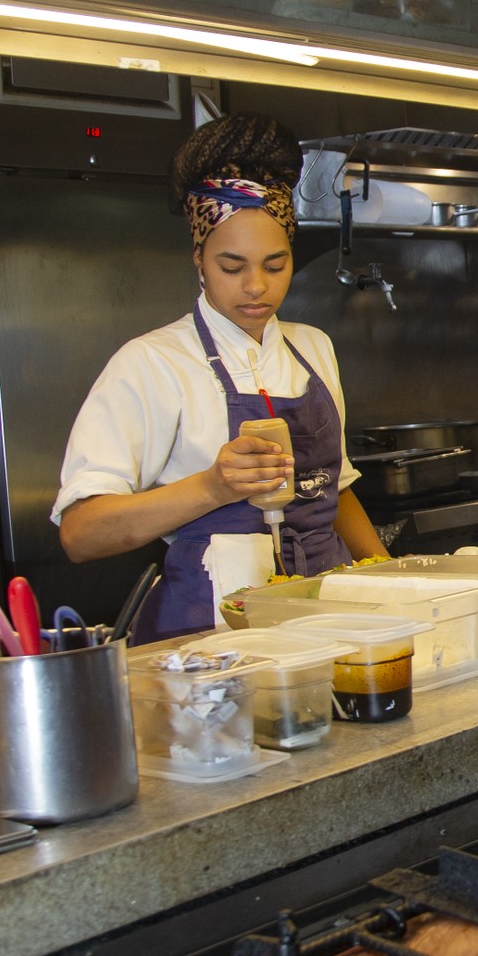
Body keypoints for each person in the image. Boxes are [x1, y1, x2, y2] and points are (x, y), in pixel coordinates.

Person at [54, 112, 387, 640]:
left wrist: (391, 580)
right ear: (199, 259)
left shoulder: (313, 347)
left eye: (275, 266)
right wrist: (212, 487)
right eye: (232, 267)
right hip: (212, 638)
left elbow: (335, 490)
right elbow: (82, 534)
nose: (255, 286)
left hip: (334, 619)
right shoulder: (153, 363)